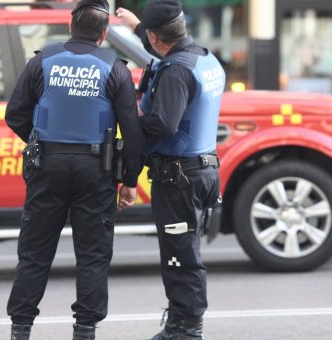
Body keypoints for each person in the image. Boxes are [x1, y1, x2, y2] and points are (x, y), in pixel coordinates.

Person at [4, 0, 145, 339]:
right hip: (96, 168)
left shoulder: (43, 60)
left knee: (35, 252)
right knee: (93, 254)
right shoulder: (116, 68)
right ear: (104, 33)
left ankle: (20, 329)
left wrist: (40, 141)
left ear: (70, 26)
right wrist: (129, 180)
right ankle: (85, 330)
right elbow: (133, 129)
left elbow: (15, 114)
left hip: (47, 165)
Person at [117, 1, 225, 339]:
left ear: (154, 36)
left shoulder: (175, 71)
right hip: (201, 171)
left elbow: (161, 125)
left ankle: (186, 329)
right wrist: (137, 27)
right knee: (185, 251)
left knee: (181, 258)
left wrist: (130, 126)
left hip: (180, 178)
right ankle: (182, 321)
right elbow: (163, 56)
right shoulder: (205, 59)